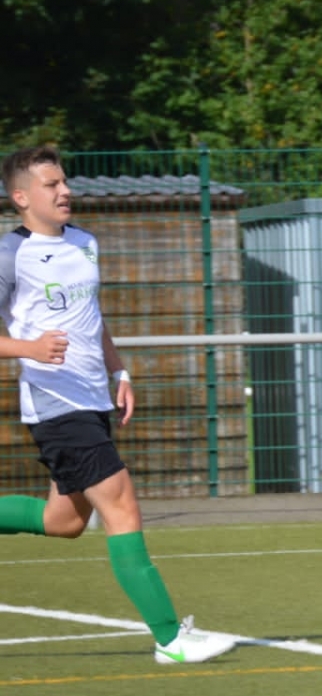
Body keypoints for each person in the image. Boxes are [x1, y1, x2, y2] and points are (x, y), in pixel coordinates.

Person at [0, 145, 237, 664]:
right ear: (21, 197)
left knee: (64, 521)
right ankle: (171, 640)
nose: (65, 191)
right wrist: (28, 348)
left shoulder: (85, 242)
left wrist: (119, 372)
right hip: (55, 404)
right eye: (51, 184)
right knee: (122, 506)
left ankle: (171, 639)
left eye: (65, 181)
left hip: (93, 401)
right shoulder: (9, 255)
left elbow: (92, 317)